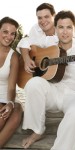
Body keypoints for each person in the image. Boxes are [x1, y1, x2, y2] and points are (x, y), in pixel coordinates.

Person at [21, 10, 75, 150]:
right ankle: (37, 130)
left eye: (68, 27)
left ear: (74, 28)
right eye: (61, 27)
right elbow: (25, 42)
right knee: (33, 83)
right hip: (54, 92)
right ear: (55, 28)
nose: (64, 32)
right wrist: (26, 58)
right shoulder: (49, 43)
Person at [0, 17, 23, 148]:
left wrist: (9, 103)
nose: (9, 37)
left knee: (15, 113)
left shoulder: (13, 56)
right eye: (5, 31)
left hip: (6, 97)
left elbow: (11, 87)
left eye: (12, 33)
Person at [16, 3, 58, 73]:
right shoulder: (35, 28)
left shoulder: (64, 30)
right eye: (39, 18)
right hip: (40, 73)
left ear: (54, 16)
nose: (43, 21)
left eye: (46, 17)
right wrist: (26, 59)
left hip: (58, 73)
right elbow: (25, 41)